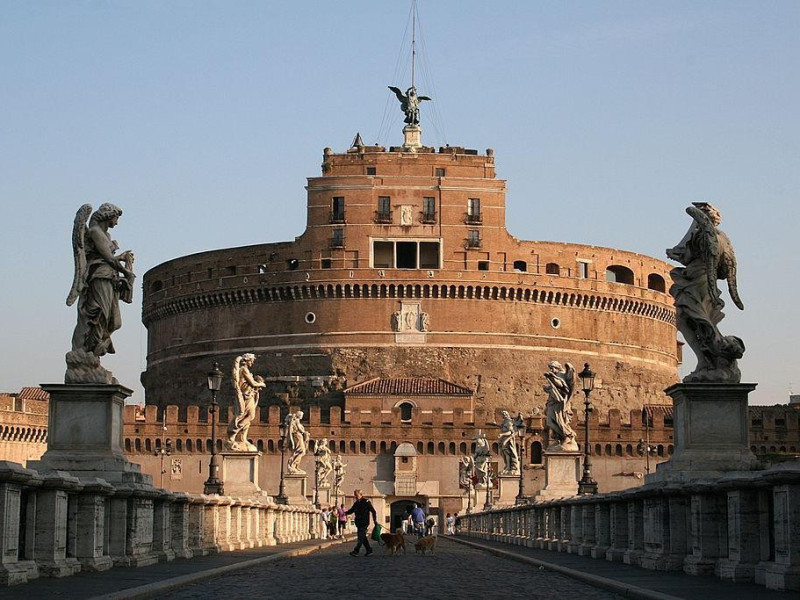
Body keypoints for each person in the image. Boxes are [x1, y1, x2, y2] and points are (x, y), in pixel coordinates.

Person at [67, 203, 135, 383]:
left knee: (115, 322)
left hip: (110, 279)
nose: (117, 222)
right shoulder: (95, 232)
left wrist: (122, 260)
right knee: (98, 316)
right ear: (108, 215)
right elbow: (106, 258)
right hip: (99, 278)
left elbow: (109, 257)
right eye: (116, 218)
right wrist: (126, 271)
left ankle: (92, 356)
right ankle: (86, 356)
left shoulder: (106, 235)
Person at [227, 354, 265, 451]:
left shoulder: (244, 370)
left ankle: (242, 438)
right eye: (251, 361)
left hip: (249, 395)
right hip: (246, 396)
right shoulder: (244, 370)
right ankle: (233, 433)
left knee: (248, 416)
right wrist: (262, 384)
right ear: (247, 360)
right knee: (248, 415)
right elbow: (253, 383)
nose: (252, 362)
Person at [544, 361, 579, 451]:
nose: (551, 370)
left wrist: (551, 377)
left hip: (559, 403)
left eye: (553, 367)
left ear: (557, 367)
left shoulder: (561, 373)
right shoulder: (556, 374)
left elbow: (561, 385)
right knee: (550, 422)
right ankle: (560, 437)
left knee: (559, 421)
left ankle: (567, 435)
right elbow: (556, 388)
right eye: (550, 368)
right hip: (553, 401)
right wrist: (548, 388)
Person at [346, 489, 377, 557]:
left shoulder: (366, 502)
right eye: (355, 495)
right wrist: (344, 513)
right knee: (362, 537)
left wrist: (375, 520)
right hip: (358, 522)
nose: (355, 497)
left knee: (360, 537)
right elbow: (352, 510)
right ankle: (369, 550)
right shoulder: (356, 503)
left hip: (364, 522)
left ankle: (356, 551)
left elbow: (373, 511)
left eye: (356, 495)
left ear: (361, 495)